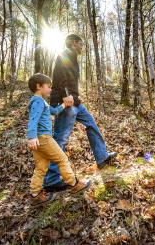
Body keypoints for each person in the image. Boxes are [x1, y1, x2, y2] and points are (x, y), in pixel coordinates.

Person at [43, 34, 118, 193]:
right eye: (81, 44)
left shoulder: (73, 58)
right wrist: (66, 95)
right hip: (66, 103)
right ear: (73, 43)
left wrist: (75, 96)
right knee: (61, 138)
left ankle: (102, 157)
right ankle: (51, 180)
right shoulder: (63, 55)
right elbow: (58, 78)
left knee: (91, 123)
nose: (82, 47)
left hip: (75, 102)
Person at [27, 73, 91, 205]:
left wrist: (63, 105)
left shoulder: (40, 101)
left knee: (41, 166)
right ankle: (74, 184)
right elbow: (33, 119)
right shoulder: (38, 101)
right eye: (48, 87)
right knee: (62, 159)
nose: (51, 89)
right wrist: (31, 137)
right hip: (43, 138)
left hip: (39, 140)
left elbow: (54, 111)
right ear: (39, 86)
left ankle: (35, 194)